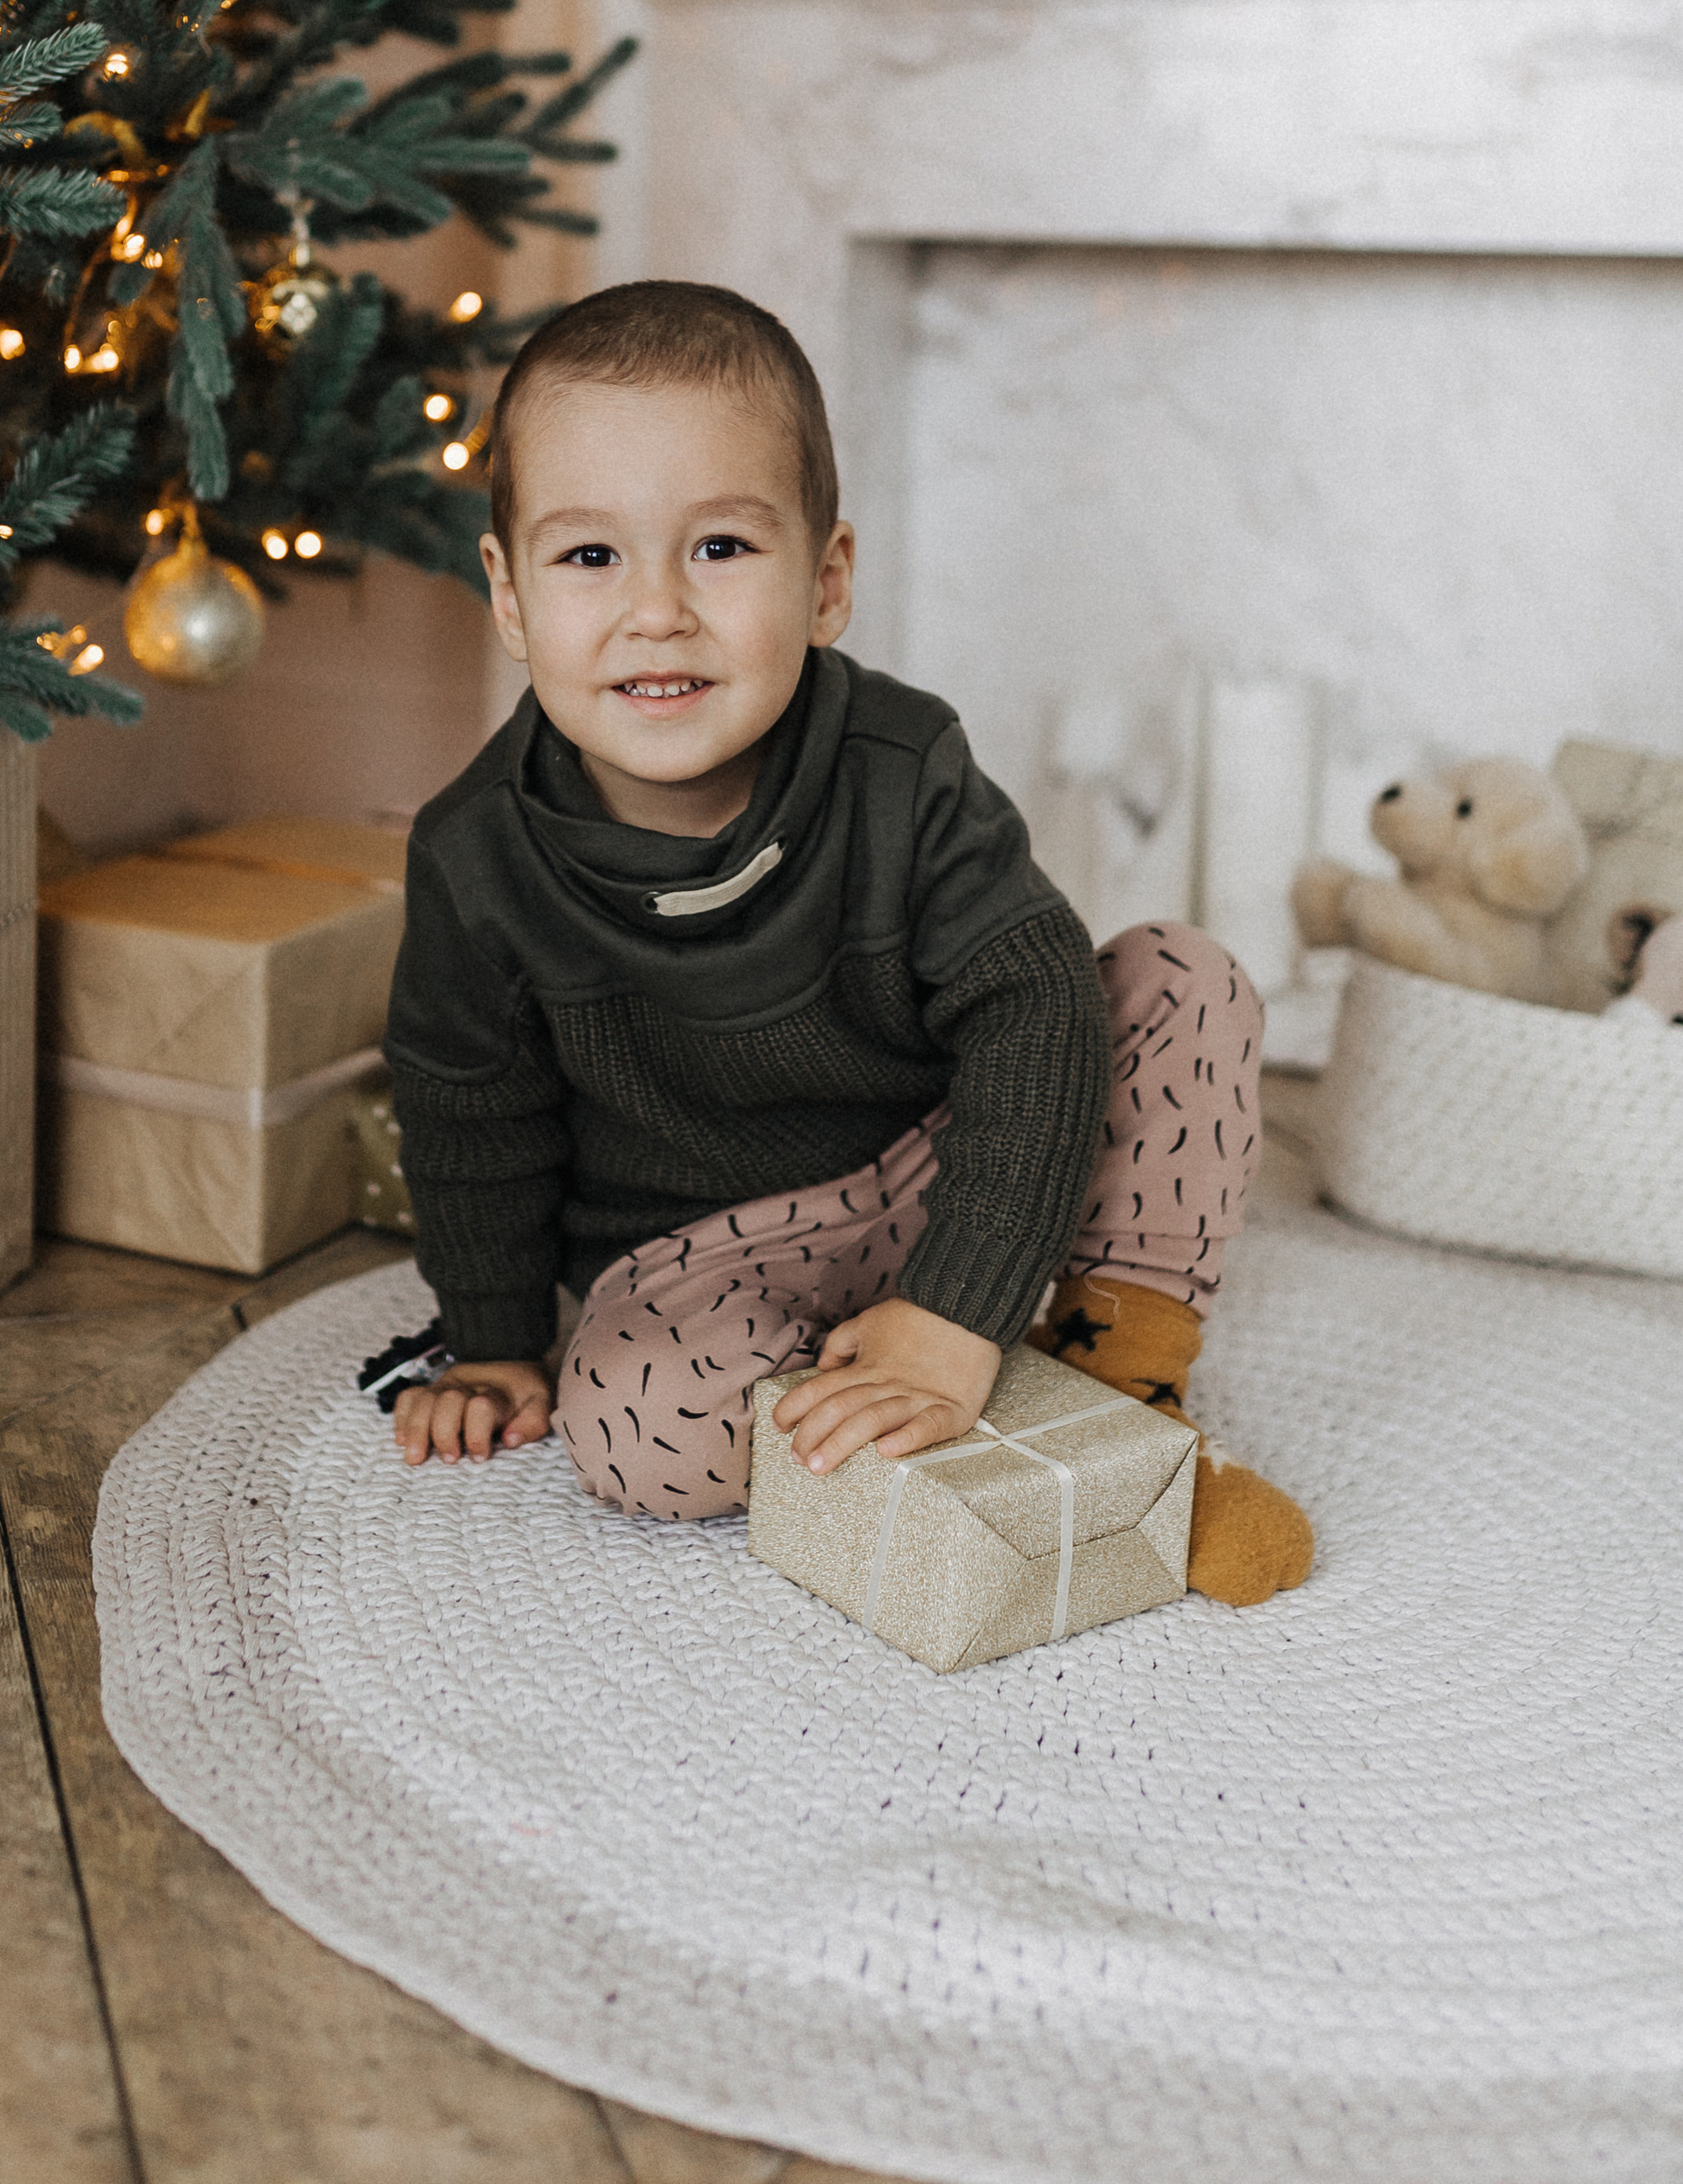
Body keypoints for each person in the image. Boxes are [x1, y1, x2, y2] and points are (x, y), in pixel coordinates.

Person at [380, 280, 1311, 1606]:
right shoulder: (473, 857)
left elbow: (1038, 1012)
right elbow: (470, 1116)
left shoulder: (903, 766)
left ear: (827, 583)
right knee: (632, 1436)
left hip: (953, 1157)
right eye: (591, 558)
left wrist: (959, 1306)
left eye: (719, 550)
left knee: (1181, 980)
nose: (658, 612)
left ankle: (1116, 1395)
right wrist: (491, 1344)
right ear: (512, 597)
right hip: (711, 1248)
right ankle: (923, 1416)